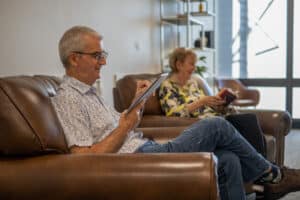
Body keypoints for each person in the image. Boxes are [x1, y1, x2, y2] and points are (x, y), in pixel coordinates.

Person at [52, 25, 300, 200]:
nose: (103, 62)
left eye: (103, 55)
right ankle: (274, 176)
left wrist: (136, 104)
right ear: (74, 59)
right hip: (137, 159)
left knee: (228, 159)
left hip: (143, 147)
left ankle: (268, 177)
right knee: (217, 126)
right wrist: (126, 125)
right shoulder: (68, 98)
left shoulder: (90, 93)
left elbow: (114, 128)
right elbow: (84, 158)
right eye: (97, 55)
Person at [159, 47, 266, 157]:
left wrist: (221, 104)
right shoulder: (167, 86)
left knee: (250, 121)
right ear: (179, 65)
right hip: (205, 126)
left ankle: (263, 165)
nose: (194, 68)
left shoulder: (192, 83)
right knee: (247, 122)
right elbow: (173, 113)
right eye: (191, 64)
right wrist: (201, 101)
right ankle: (264, 166)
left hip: (216, 119)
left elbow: (207, 106)